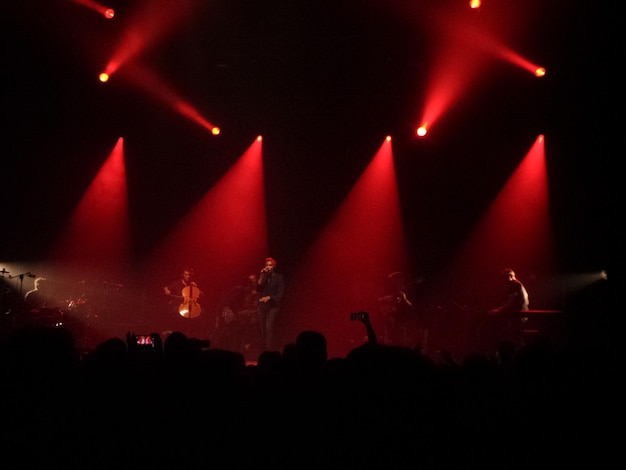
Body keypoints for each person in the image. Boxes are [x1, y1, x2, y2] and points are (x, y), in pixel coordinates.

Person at [214, 273, 259, 357]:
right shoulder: (239, 291)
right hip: (228, 313)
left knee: (235, 335)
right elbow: (229, 304)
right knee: (233, 335)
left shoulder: (239, 290)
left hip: (229, 313)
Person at [484, 268, 530, 349]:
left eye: (504, 278)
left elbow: (509, 302)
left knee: (514, 336)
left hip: (518, 315)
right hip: (522, 313)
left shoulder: (514, 285)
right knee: (517, 336)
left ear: (510, 276)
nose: (504, 281)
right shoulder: (518, 284)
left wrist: (497, 310)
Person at [163, 268, 204, 336]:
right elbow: (166, 288)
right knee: (175, 311)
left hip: (191, 304)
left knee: (202, 312)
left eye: (189, 275)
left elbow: (202, 294)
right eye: (186, 274)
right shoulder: (176, 283)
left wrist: (196, 288)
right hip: (179, 304)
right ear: (182, 275)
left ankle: (197, 332)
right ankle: (173, 330)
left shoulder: (192, 285)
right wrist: (167, 290)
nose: (188, 276)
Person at [256, 257, 285, 352]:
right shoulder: (263, 277)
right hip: (262, 306)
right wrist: (262, 275)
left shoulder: (279, 278)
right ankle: (263, 350)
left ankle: (269, 351)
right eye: (266, 265)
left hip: (273, 306)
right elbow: (258, 289)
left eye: (270, 265)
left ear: (274, 267)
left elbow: (280, 294)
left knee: (269, 328)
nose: (268, 267)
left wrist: (269, 297)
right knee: (262, 329)